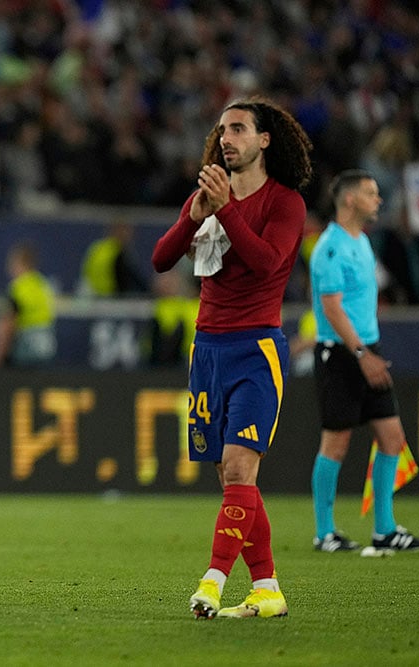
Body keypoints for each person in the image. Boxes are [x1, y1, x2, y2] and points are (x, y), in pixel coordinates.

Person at [151, 97, 313, 620]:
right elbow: (160, 259)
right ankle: (267, 588)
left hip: (255, 350)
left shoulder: (285, 203)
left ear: (264, 140)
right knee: (232, 479)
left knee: (241, 469)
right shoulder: (207, 195)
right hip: (207, 352)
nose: (227, 138)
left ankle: (213, 581)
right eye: (222, 129)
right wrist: (193, 217)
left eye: (239, 128)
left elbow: (267, 265)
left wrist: (224, 210)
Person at [309, 169, 419, 554]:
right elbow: (331, 309)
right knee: (336, 444)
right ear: (349, 199)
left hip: (367, 351)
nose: (378, 200)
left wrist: (368, 352)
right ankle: (325, 532)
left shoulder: (361, 241)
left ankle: (385, 529)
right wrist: (361, 355)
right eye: (371, 194)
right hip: (343, 355)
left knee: (392, 439)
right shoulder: (329, 247)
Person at [0, 240, 57, 369]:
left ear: (19, 263)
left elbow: (8, 324)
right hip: (46, 348)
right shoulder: (43, 284)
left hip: (25, 350)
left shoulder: (18, 288)